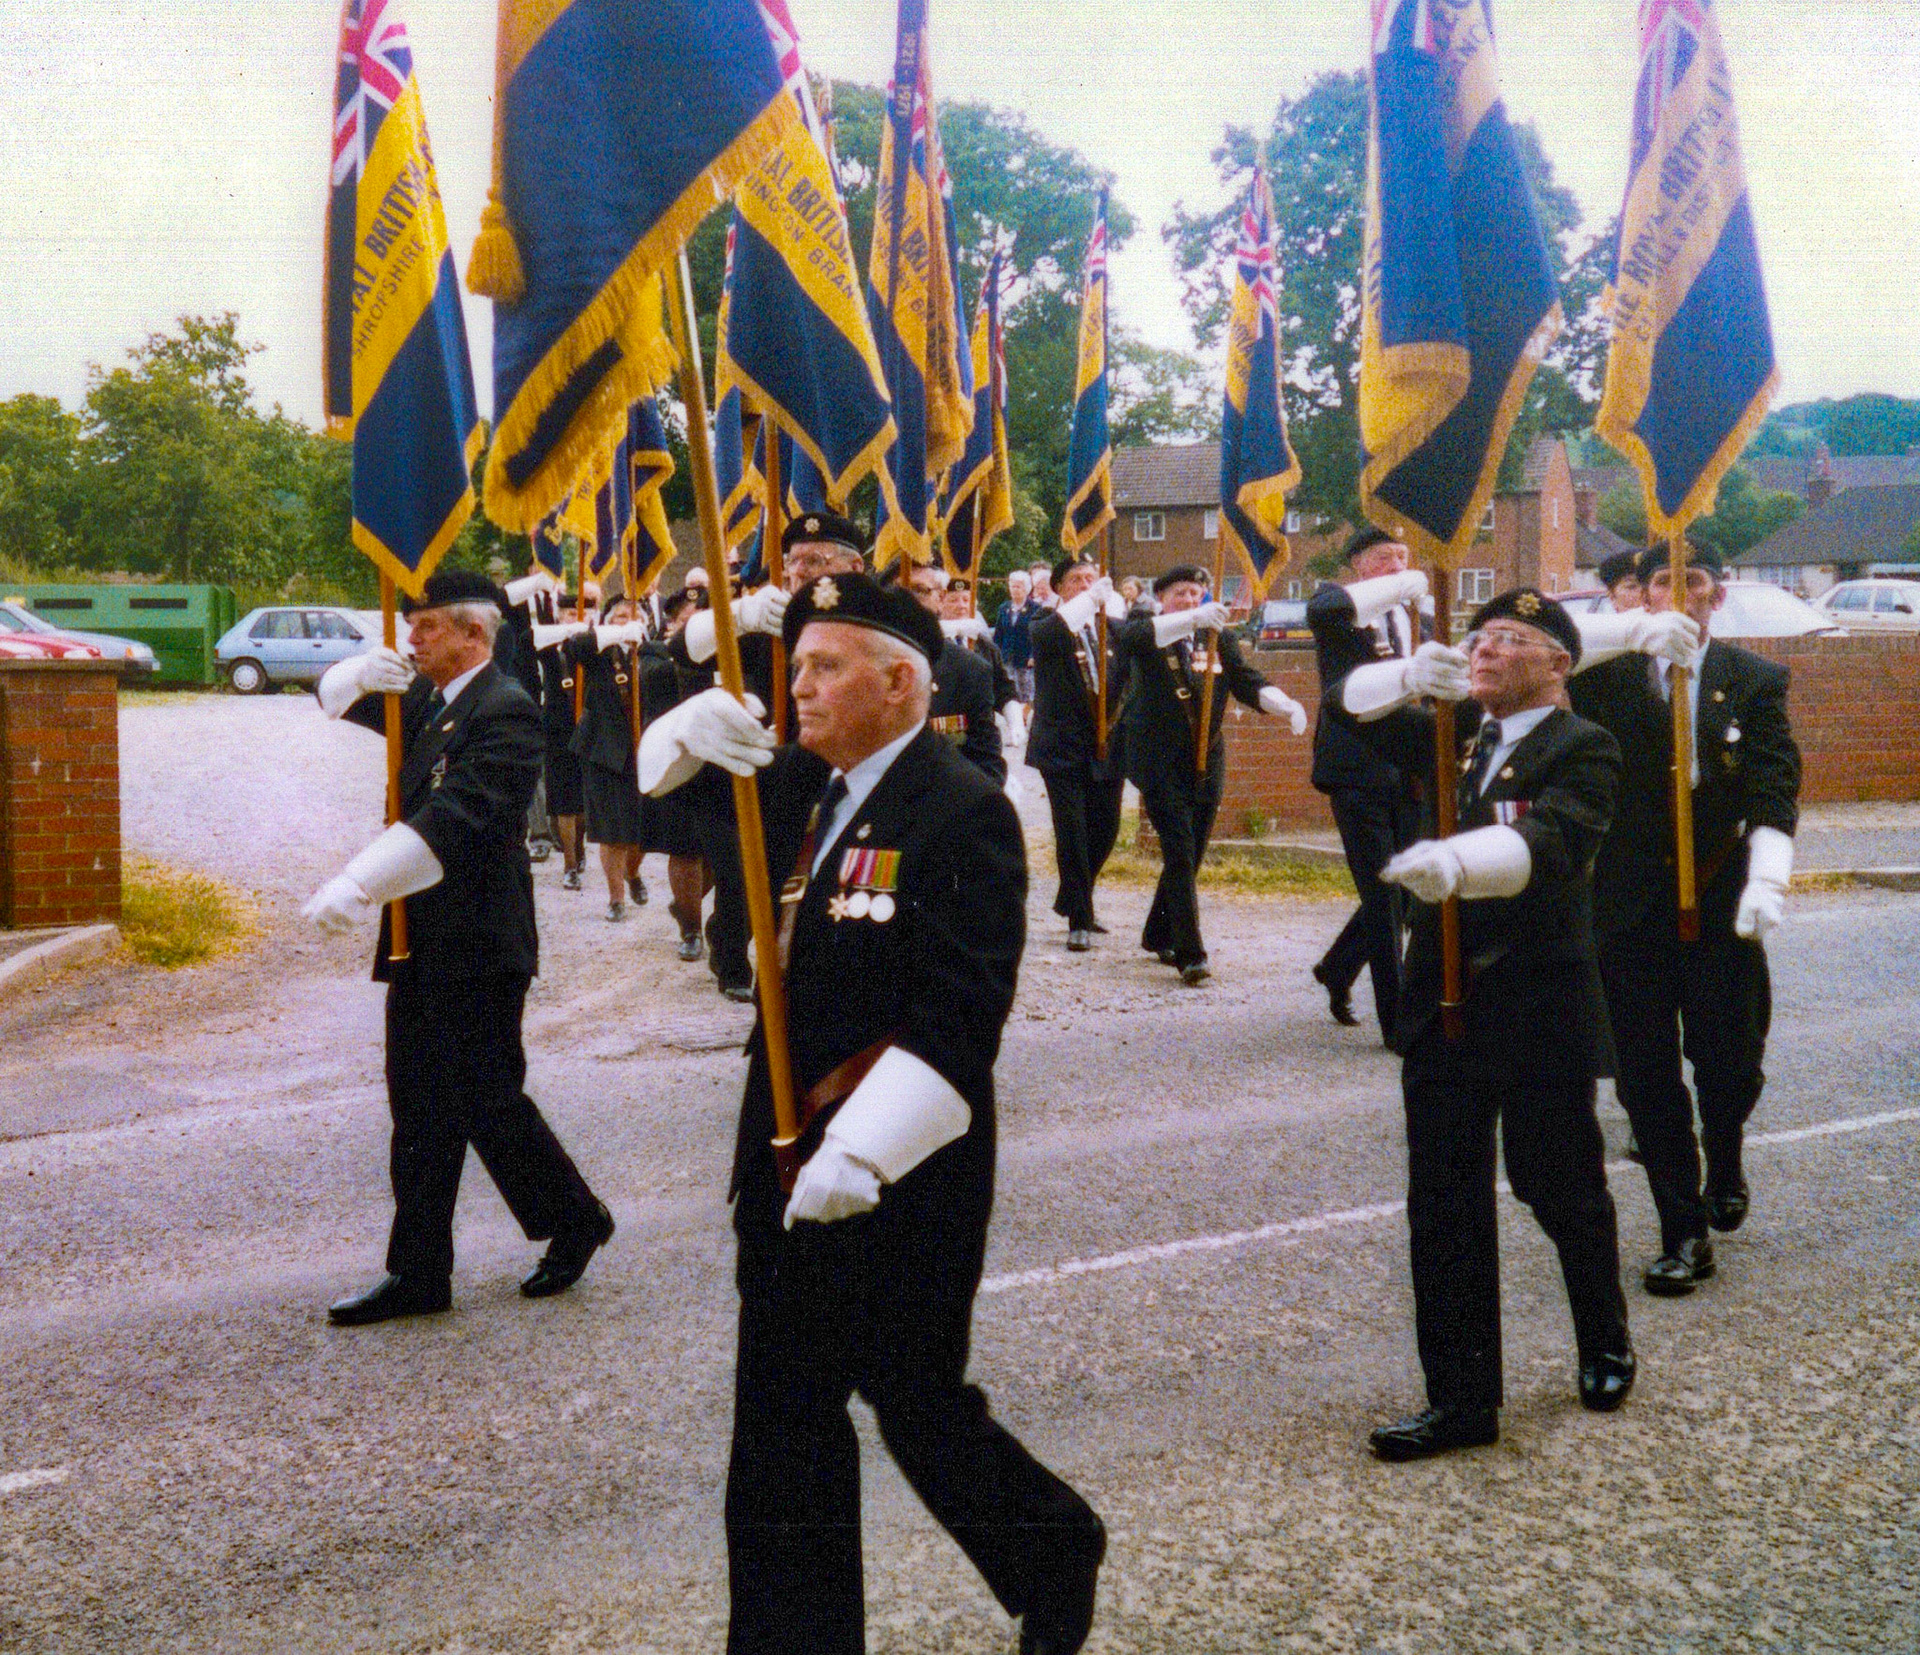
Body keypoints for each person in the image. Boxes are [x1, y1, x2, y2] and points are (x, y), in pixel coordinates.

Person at [638, 572, 1108, 1655]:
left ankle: (1052, 1544)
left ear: (903, 680)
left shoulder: (962, 808)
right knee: (781, 1428)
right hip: (782, 1151)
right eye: (795, 664)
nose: (798, 686)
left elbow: (962, 1009)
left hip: (899, 1168)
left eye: (825, 666)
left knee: (917, 1403)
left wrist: (860, 1148)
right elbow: (687, 810)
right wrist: (681, 725)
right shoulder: (806, 779)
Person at [1325, 586, 1634, 1459]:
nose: (1485, 651)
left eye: (1508, 639)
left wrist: (1457, 860)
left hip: (1535, 1002)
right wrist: (1398, 676)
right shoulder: (1450, 734)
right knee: (1445, 1204)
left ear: (1558, 662)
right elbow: (1341, 713)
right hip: (1443, 1004)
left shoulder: (1587, 746)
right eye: (1478, 638)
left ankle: (1604, 1335)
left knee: (1556, 1181)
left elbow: (1556, 845)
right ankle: (1462, 1402)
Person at [303, 569, 614, 1325]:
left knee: (486, 1098)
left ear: (475, 634)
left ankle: (574, 1217)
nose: (411, 639)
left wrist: (360, 881)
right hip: (420, 936)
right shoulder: (430, 702)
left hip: (478, 939)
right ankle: (419, 1273)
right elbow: (332, 701)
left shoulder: (508, 711)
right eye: (411, 627)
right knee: (418, 1106)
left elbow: (458, 814)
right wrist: (350, 670)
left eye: (428, 626)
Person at [1567, 543, 1802, 1296]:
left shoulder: (1753, 679)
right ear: (1643, 593)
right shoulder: (1603, 674)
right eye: (1661, 580)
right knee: (1643, 1072)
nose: (1676, 592)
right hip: (1629, 900)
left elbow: (1773, 786)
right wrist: (1626, 634)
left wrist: (1768, 878)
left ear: (1715, 594)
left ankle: (1724, 1148)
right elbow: (1549, 655)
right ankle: (1682, 1229)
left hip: (1720, 890)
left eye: (1690, 580)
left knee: (1728, 1057)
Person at [1117, 565, 1308, 985]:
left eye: (1196, 594)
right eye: (1181, 593)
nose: (1190, 600)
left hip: (1207, 756)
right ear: (1162, 597)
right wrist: (1189, 619)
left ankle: (1156, 933)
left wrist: (1283, 704)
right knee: (1180, 850)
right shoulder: (1148, 627)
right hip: (1159, 757)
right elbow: (1130, 641)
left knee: (1194, 849)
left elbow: (1244, 680)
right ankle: (1191, 954)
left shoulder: (1218, 635)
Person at [1305, 528, 1428, 1039]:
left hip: (1411, 769)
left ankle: (1337, 966)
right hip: (1357, 768)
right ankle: (1396, 1021)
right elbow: (1325, 611)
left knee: (1408, 887)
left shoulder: (1422, 618)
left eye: (1403, 557)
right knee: (1382, 893)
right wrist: (1398, 586)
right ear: (1359, 565)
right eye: (1384, 558)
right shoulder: (1340, 609)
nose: (1397, 566)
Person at [1028, 555, 1130, 950]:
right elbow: (1047, 639)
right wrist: (1089, 601)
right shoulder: (1047, 625)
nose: (1086, 585)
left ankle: (1073, 897)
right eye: (1076, 580)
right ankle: (1080, 919)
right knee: (1072, 831)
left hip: (1106, 744)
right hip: (1061, 747)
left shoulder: (1114, 630)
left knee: (1106, 828)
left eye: (1092, 578)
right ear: (1059, 588)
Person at [563, 594, 659, 921]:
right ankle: (616, 897)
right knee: (612, 831)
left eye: (635, 617)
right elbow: (572, 647)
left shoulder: (653, 652)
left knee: (642, 833)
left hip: (645, 752)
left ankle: (633, 873)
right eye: (620, 616)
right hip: (603, 750)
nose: (628, 622)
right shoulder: (600, 652)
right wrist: (618, 634)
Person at [899, 559, 1006, 782]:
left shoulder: (969, 668)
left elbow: (987, 763)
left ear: (939, 599)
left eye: (920, 590)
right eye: (896, 590)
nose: (905, 600)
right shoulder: (858, 664)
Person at [993, 568, 1040, 717]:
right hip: (1007, 658)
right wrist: (995, 654)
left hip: (1025, 658)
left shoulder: (1035, 609)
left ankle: (1028, 719)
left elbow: (1037, 635)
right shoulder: (1004, 608)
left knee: (1026, 694)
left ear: (1026, 589)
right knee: (1010, 692)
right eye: (1012, 586)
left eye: (1018, 586)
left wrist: (1034, 655)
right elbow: (999, 634)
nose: (1014, 589)